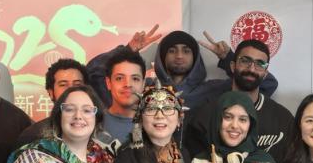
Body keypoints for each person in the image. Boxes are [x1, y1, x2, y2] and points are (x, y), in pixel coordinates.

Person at [86, 26, 277, 115]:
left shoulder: (215, 90)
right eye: (172, 50)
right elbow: (93, 74)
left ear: (195, 58)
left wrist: (229, 59)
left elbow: (266, 85)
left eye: (186, 51)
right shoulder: (144, 89)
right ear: (161, 57)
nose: (179, 56)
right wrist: (128, 50)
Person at [185, 40, 294, 163]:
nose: (251, 69)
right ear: (232, 66)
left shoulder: (283, 119)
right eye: (245, 61)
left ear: (265, 74)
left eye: (260, 64)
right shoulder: (205, 115)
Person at [17, 58, 87, 145]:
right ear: (51, 93)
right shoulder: (33, 136)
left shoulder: (98, 131)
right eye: (63, 85)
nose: (71, 89)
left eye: (77, 84)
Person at [99, 46, 147, 146]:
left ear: (143, 84)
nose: (127, 84)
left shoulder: (156, 124)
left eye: (135, 79)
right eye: (119, 78)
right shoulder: (94, 123)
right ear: (108, 83)